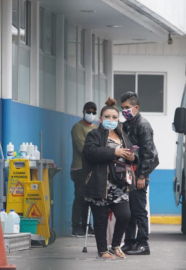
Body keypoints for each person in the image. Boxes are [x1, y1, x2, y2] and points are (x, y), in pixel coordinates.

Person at [82, 97, 139, 259]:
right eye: (107, 117)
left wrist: (131, 157)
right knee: (100, 220)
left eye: (114, 117)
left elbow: (134, 156)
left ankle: (115, 245)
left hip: (120, 184)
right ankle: (102, 250)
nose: (111, 120)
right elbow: (91, 153)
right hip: (100, 184)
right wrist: (114, 152)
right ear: (100, 119)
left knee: (125, 215)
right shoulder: (93, 134)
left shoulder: (122, 135)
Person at [120, 92, 159, 255]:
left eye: (127, 108)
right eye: (122, 108)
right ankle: (129, 242)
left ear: (136, 108)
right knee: (129, 211)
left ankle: (143, 244)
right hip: (128, 173)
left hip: (139, 174)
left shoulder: (142, 125)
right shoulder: (126, 124)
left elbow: (149, 153)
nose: (124, 111)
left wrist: (142, 176)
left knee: (139, 210)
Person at [70, 102, 98, 237]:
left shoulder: (97, 128)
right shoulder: (78, 128)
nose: (91, 114)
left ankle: (87, 226)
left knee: (89, 199)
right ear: (83, 112)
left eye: (94, 112)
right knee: (80, 198)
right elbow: (83, 149)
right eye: (89, 112)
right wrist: (98, 154)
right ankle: (76, 226)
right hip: (80, 168)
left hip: (93, 168)